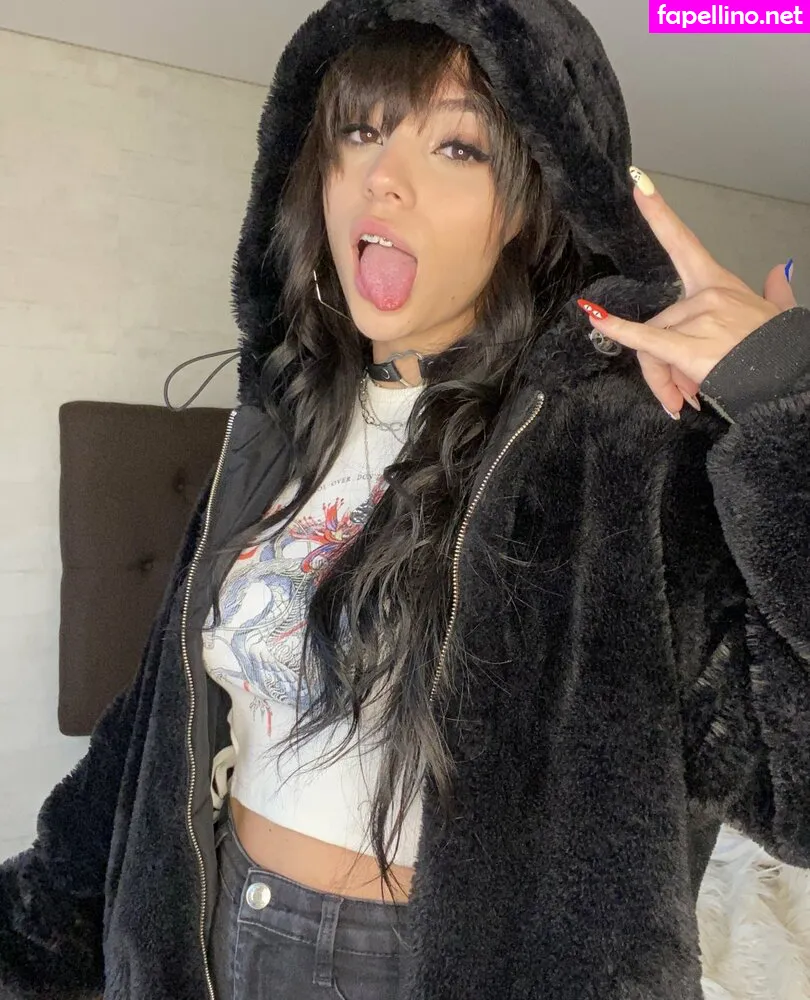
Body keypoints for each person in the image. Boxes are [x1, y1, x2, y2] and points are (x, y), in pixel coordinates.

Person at [1, 1, 808, 998]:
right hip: (205, 939)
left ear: (531, 204)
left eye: (457, 147)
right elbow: (155, 725)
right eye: (358, 131)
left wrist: (783, 406)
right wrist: (33, 933)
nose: (383, 177)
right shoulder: (279, 425)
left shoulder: (623, 447)